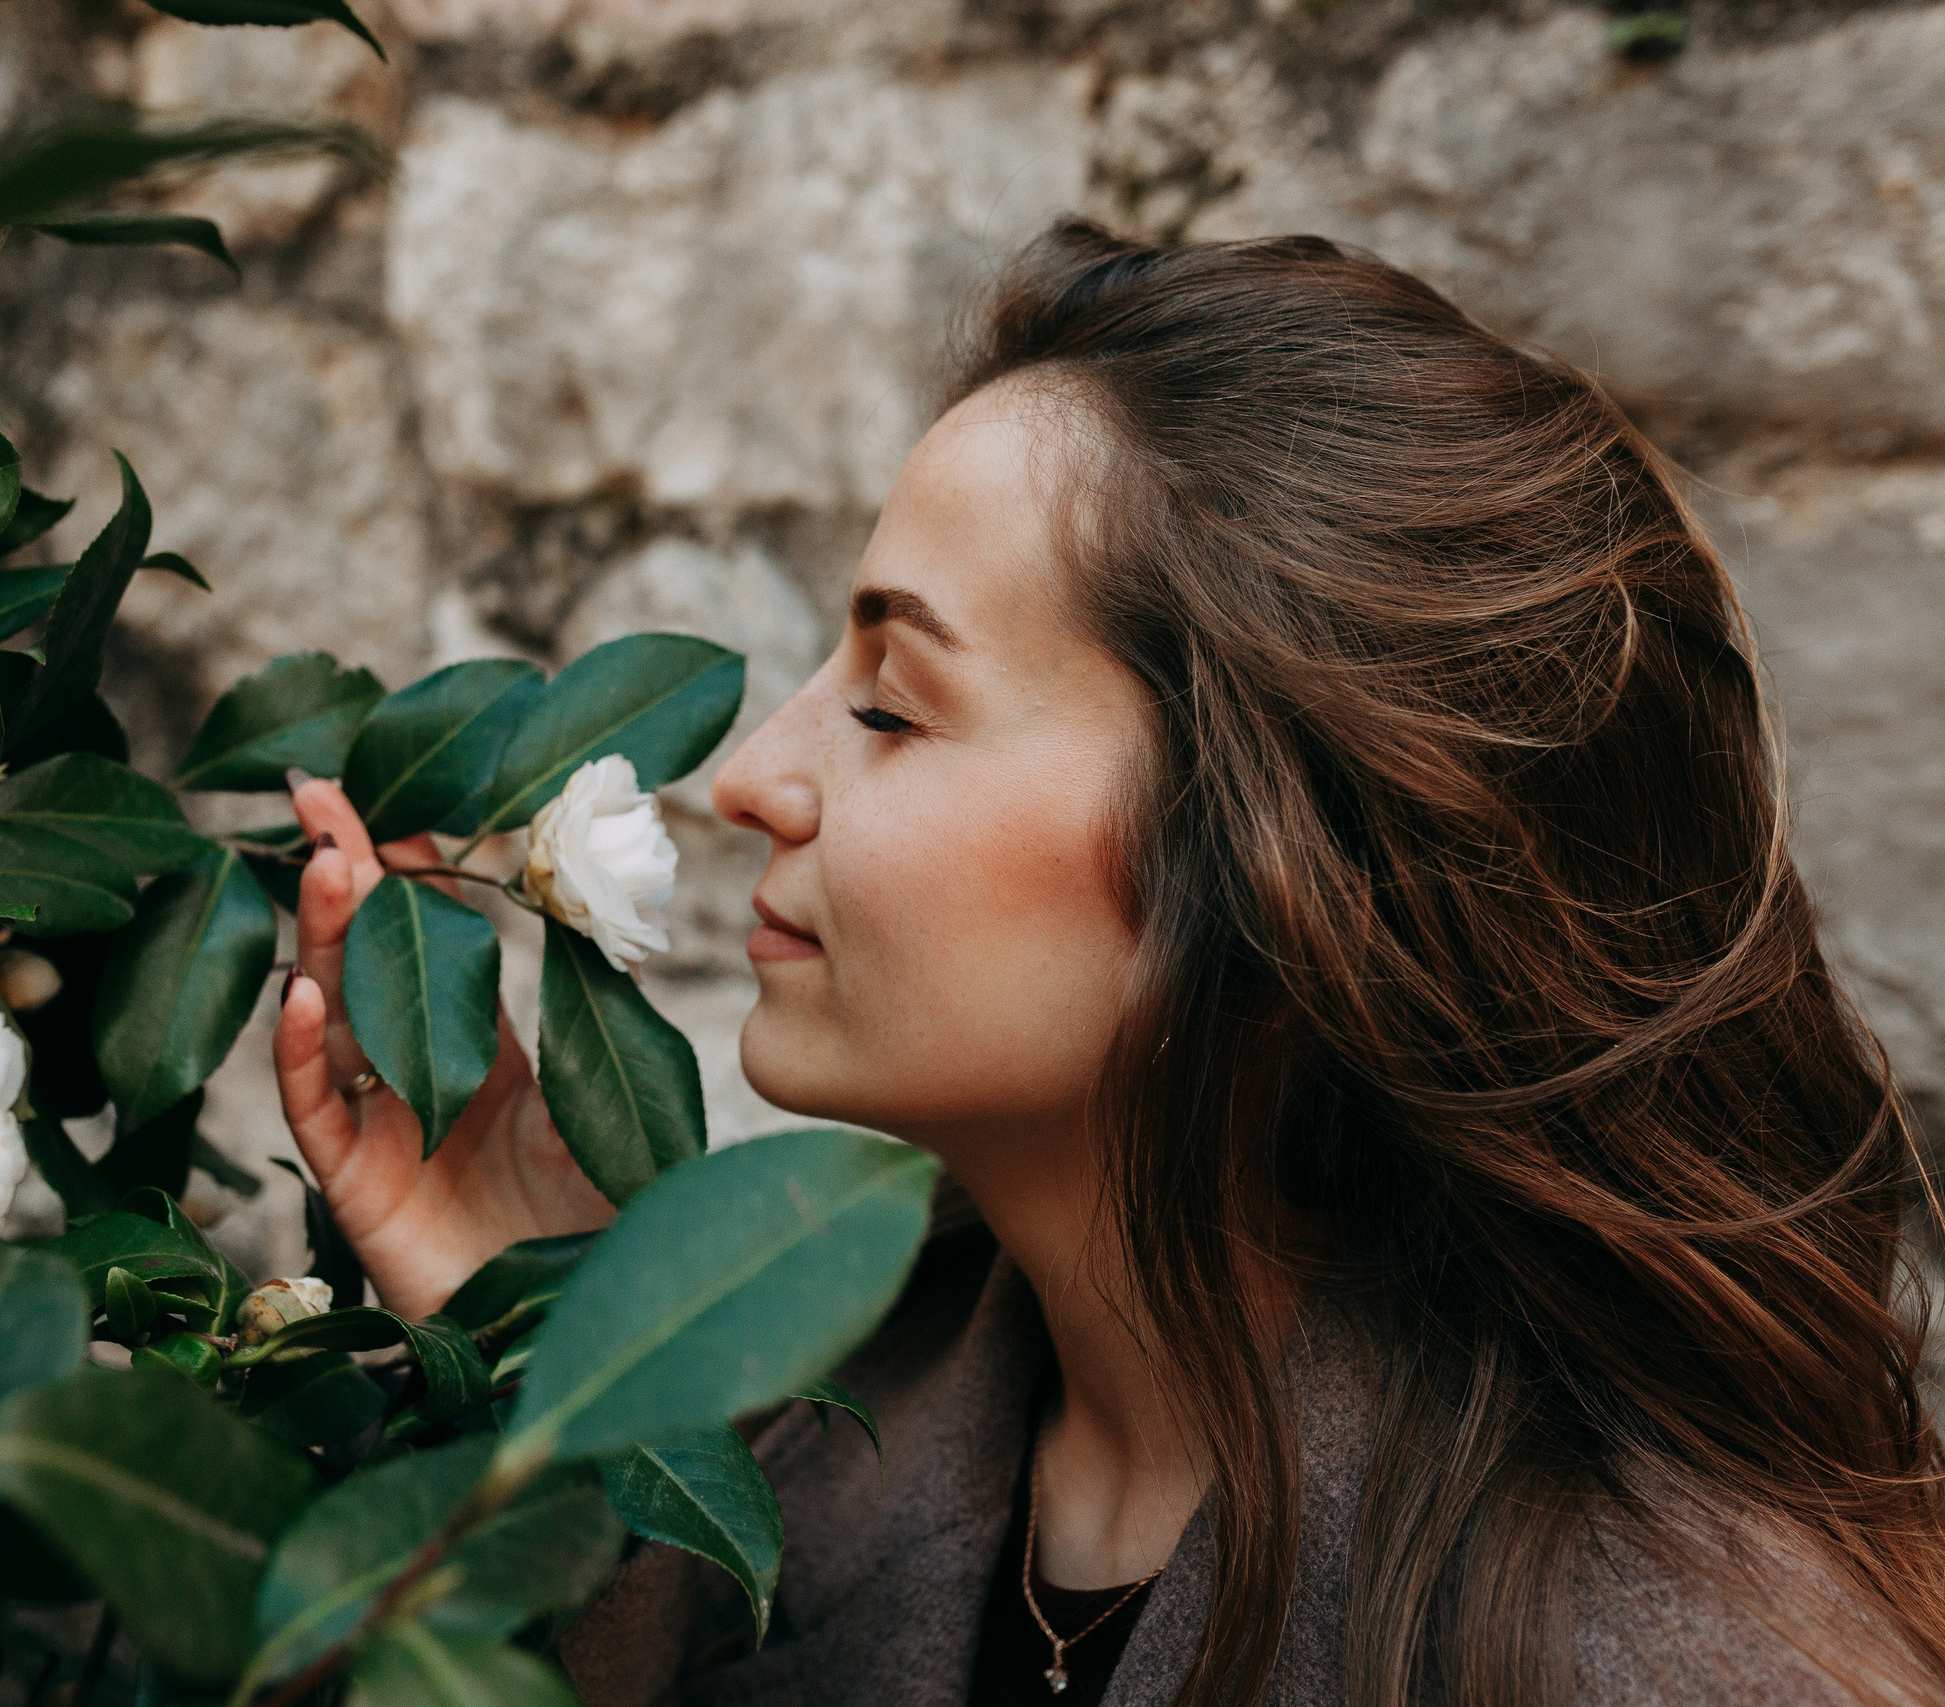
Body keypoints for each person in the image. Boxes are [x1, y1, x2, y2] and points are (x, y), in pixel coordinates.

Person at [267, 221, 1945, 1706]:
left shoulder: (1674, 1656)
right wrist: (566, 1349)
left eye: (891, 707)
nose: (747, 778)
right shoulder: (806, 1438)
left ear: (1293, 885)